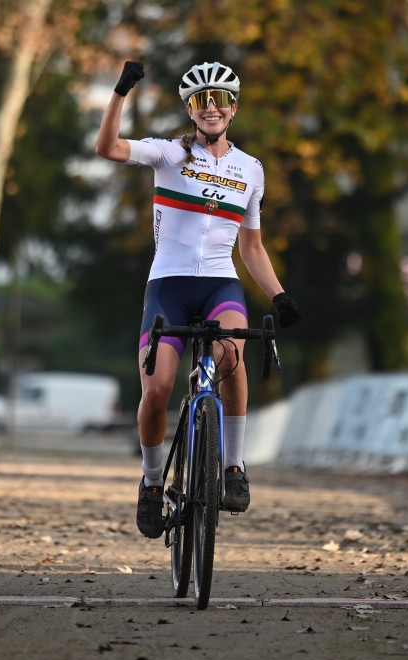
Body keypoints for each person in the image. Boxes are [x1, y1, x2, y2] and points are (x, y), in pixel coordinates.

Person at [96, 60, 303, 538]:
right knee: (157, 388)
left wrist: (278, 295)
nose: (211, 108)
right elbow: (106, 148)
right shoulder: (168, 154)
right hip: (168, 285)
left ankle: (232, 467)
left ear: (233, 108)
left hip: (219, 283)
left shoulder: (250, 170)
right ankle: (151, 484)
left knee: (232, 354)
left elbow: (250, 247)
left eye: (220, 100)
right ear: (190, 109)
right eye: (201, 101)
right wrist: (120, 93)